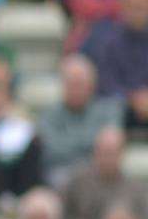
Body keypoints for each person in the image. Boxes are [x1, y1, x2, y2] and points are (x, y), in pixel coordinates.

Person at [39, 54, 124, 186]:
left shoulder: (108, 111)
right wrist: (92, 143)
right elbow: (52, 150)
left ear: (92, 85)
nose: (76, 90)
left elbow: (112, 146)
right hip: (63, 175)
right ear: (63, 85)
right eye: (72, 84)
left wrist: (69, 141)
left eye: (80, 84)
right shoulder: (48, 115)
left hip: (101, 174)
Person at [83, 0, 148, 136]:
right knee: (109, 108)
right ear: (122, 6)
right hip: (119, 108)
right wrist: (133, 99)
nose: (137, 11)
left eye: (141, 5)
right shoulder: (104, 38)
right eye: (132, 5)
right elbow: (105, 83)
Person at [63, 126, 148, 219]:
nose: (108, 158)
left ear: (122, 154)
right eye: (104, 152)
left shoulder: (137, 189)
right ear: (95, 152)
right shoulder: (77, 181)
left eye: (112, 153)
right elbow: (63, 218)